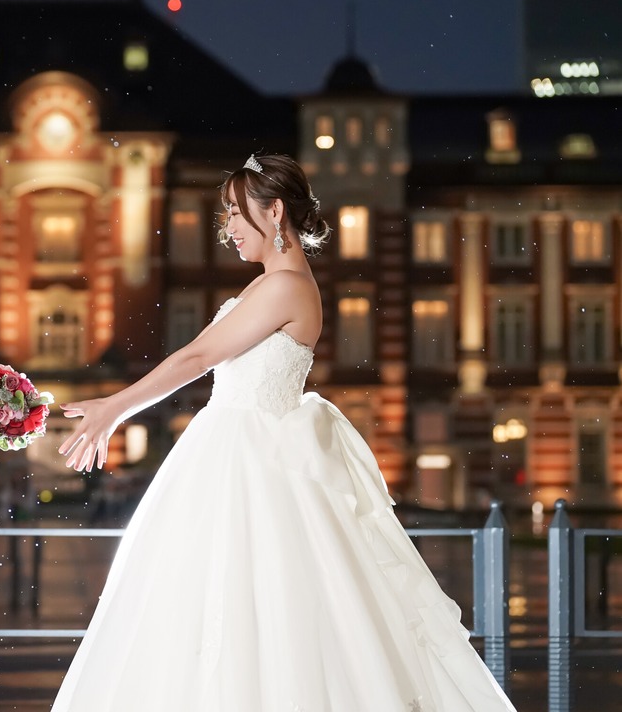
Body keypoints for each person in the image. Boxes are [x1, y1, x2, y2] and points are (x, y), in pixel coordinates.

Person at [52, 154, 516, 711]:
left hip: (254, 464)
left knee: (262, 609)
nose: (226, 229)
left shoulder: (287, 287)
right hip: (228, 457)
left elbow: (198, 356)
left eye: (234, 214)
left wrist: (115, 407)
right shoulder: (266, 286)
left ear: (274, 213)